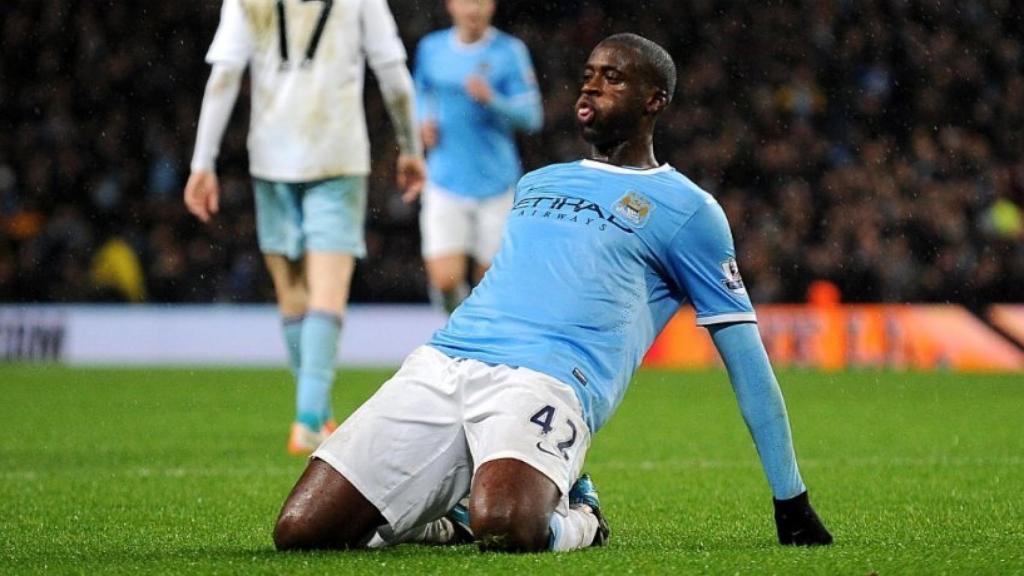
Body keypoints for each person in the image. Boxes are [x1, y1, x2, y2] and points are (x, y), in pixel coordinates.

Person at [272, 33, 833, 553]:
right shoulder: (538, 182)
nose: (591, 85)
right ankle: (448, 517)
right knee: (301, 532)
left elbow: (746, 361)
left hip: (549, 380)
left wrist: (792, 501)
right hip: (444, 363)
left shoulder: (688, 211)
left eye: (613, 77)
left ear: (654, 100)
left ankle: (581, 512)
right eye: (589, 74)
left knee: (510, 526)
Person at [183, 0, 426, 455]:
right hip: (337, 155)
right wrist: (410, 148)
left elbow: (225, 77)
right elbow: (393, 77)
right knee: (326, 291)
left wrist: (203, 161)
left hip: (271, 156)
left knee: (292, 292)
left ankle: (313, 412)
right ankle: (311, 417)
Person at [413, 0, 543, 312]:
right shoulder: (431, 49)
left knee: (490, 284)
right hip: (444, 178)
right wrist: (422, 122)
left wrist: (493, 100)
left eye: (481, 2)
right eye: (467, 2)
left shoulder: (510, 51)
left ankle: (476, 345)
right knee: (444, 279)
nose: (474, 10)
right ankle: (456, 332)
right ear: (451, 5)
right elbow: (420, 92)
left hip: (495, 184)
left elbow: (532, 117)